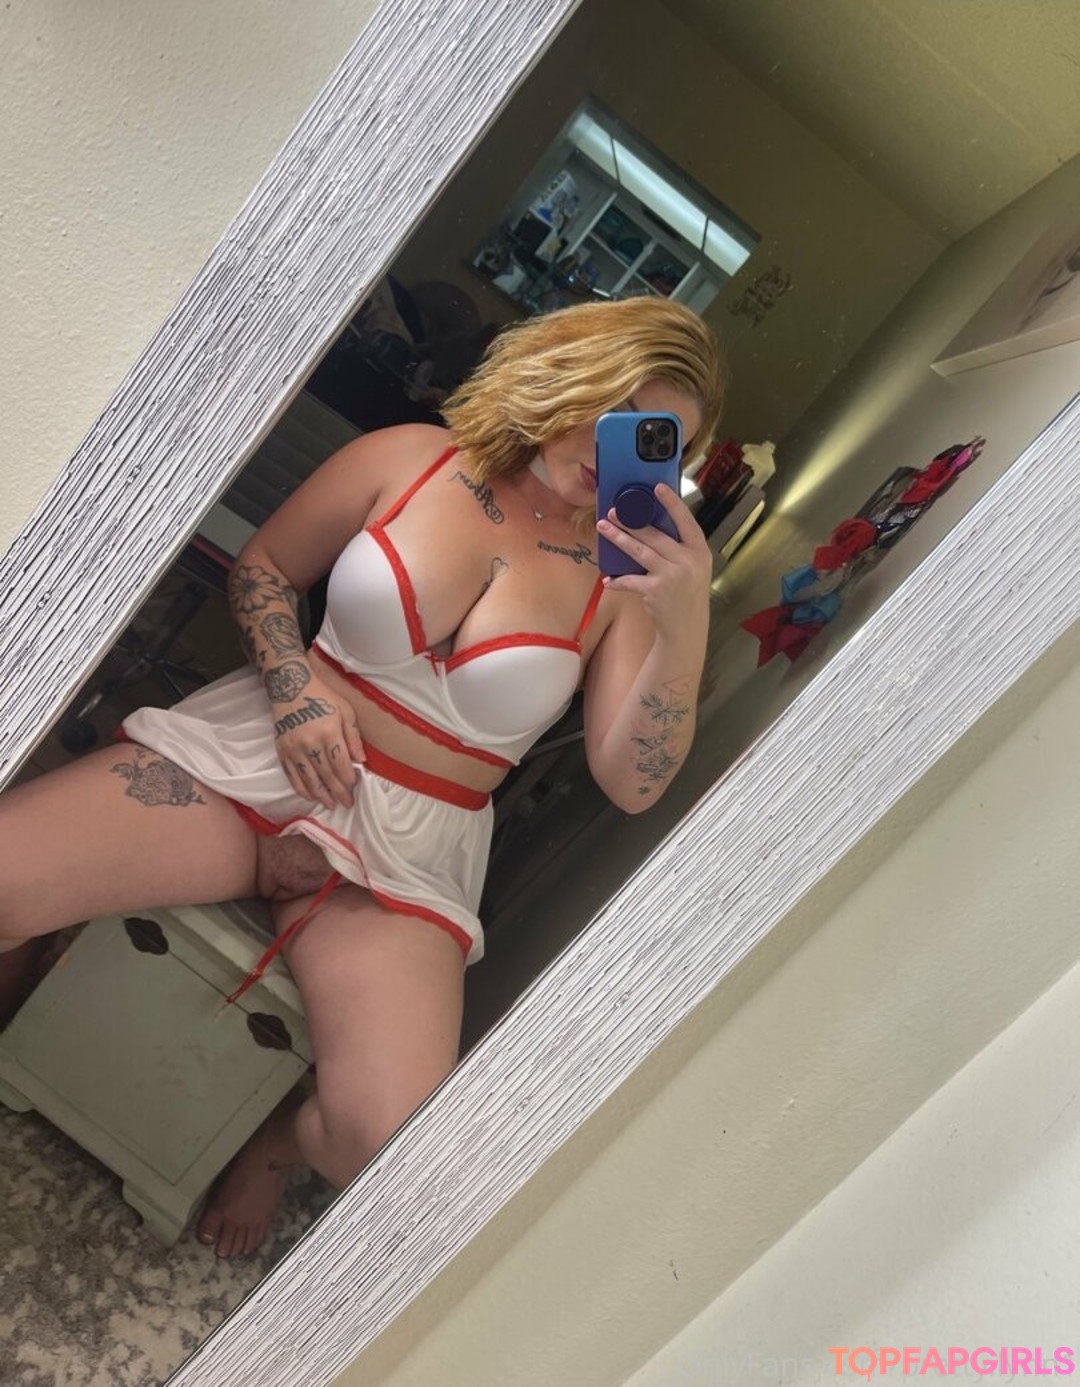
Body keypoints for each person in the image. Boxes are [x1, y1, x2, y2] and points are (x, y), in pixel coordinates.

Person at [0, 295, 724, 1258]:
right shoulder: (411, 457)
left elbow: (633, 783)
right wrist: (293, 685)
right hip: (257, 761)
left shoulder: (623, 586)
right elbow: (264, 567)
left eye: (654, 437)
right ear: (563, 372)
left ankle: (277, 1140)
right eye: (611, 404)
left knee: (389, 1150)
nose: (611, 446)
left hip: (409, 856)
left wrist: (685, 618)